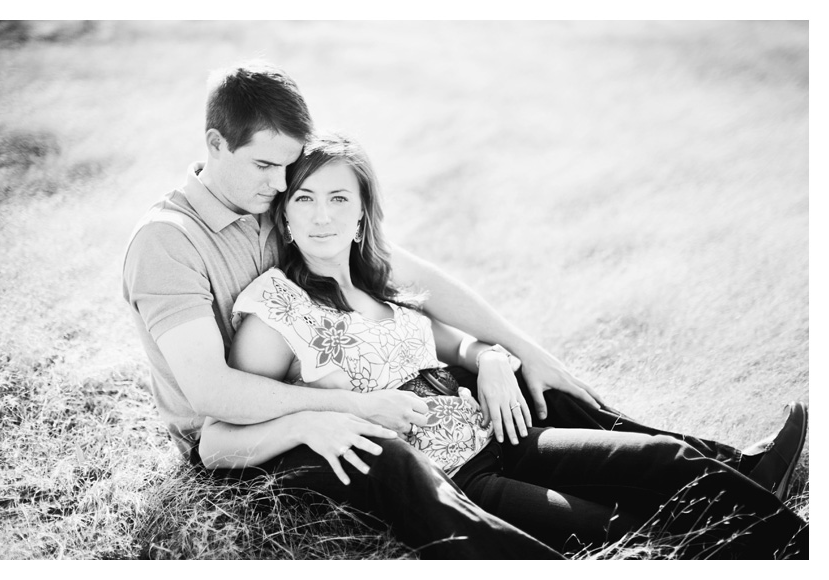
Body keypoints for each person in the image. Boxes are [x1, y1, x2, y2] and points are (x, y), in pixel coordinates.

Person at [122, 60, 807, 558]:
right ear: (214, 144)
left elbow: (405, 277)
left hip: (386, 397)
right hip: (253, 434)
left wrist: (508, 351)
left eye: (292, 176)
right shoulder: (171, 243)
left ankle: (738, 478)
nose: (282, 190)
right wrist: (334, 412)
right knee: (420, 468)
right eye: (273, 175)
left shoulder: (272, 202)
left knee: (549, 397)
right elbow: (214, 402)